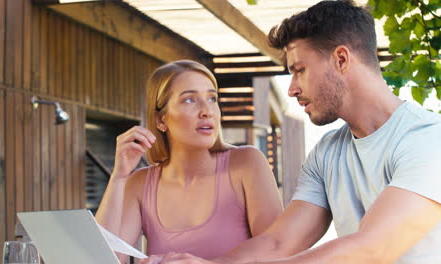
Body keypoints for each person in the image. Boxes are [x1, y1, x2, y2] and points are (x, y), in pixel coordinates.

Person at [141, 1, 441, 264]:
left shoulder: (428, 139)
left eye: (300, 70)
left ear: (341, 59)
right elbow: (279, 243)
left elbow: (371, 250)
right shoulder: (327, 153)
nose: (293, 89)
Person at [95, 60, 283, 264]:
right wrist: (119, 177)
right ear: (160, 120)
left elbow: (279, 252)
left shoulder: (247, 164)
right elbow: (102, 260)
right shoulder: (139, 184)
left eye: (212, 99)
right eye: (189, 100)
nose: (206, 111)